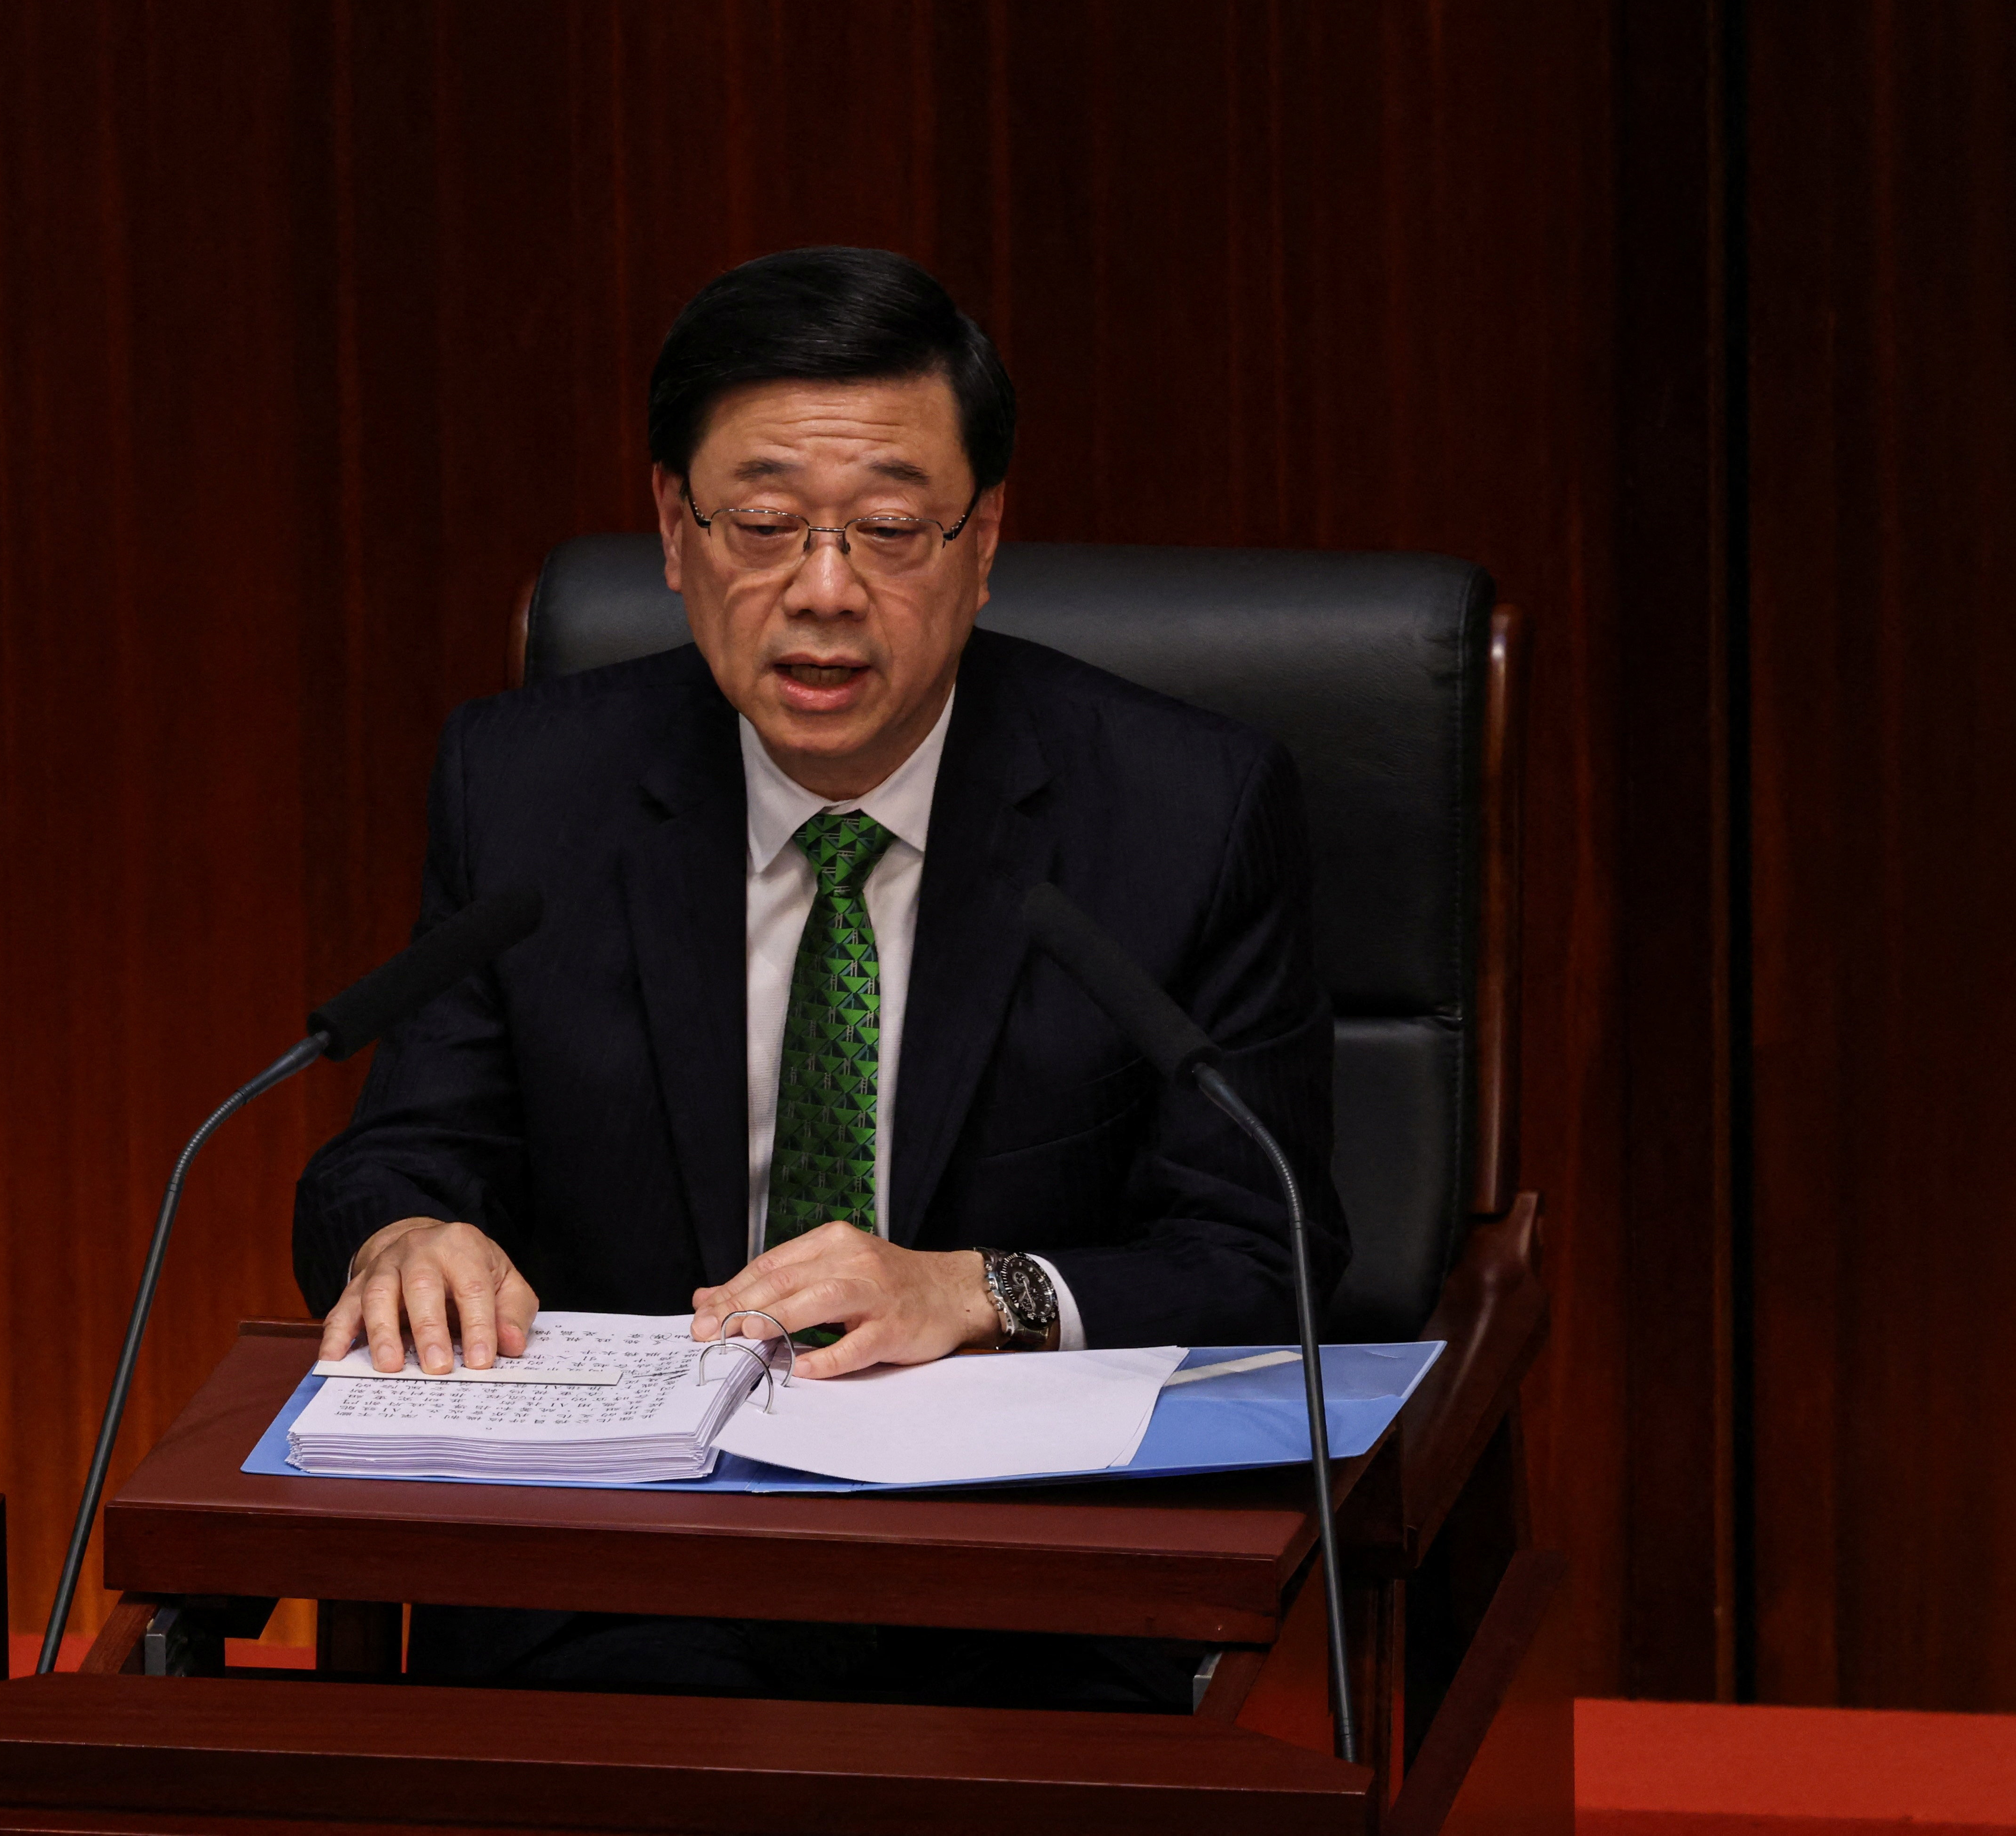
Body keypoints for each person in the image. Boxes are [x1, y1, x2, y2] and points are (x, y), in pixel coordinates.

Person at [289, 246, 1347, 1704]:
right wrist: (404, 1232)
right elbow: (408, 1143)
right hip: (616, 1576)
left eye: (892, 530)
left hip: (1021, 1586)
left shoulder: (1180, 811)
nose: (825, 591)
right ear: (674, 528)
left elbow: (1268, 1252)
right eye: (766, 523)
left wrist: (974, 1290)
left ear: (983, 540)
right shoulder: (529, 786)